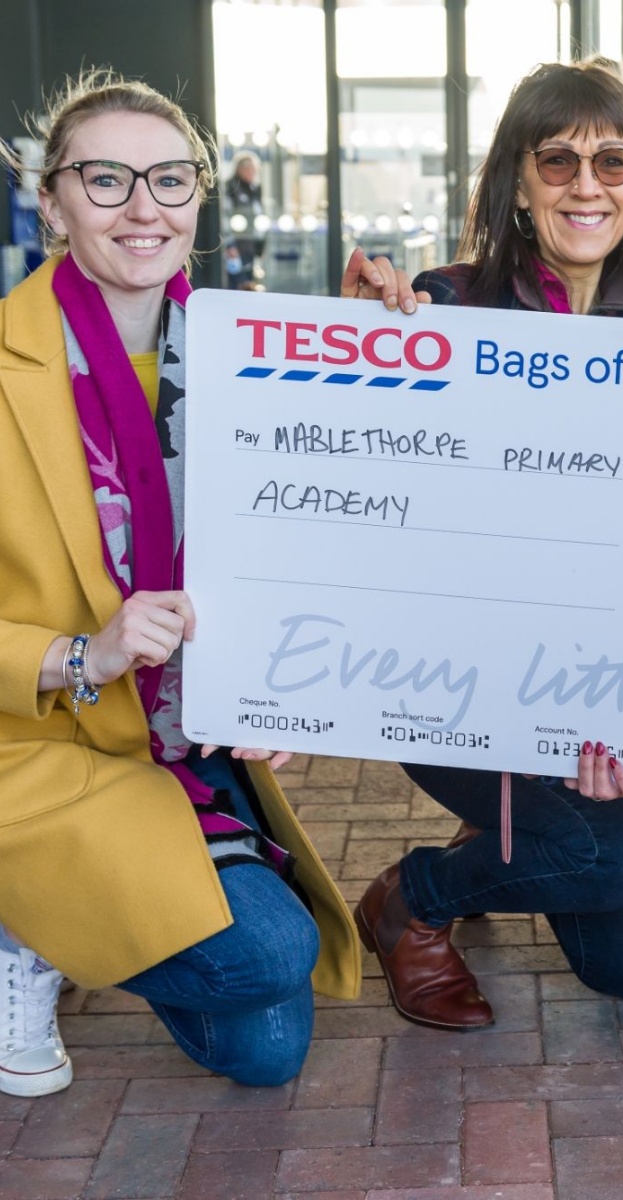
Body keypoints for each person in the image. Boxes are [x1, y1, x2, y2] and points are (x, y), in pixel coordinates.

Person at [0, 70, 390, 1095]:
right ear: (53, 202)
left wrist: (391, 349)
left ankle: (75, 912)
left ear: (199, 199)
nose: (144, 208)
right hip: (41, 740)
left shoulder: (253, 360)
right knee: (268, 955)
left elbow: (324, 537)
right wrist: (83, 652)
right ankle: (21, 925)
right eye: (107, 179)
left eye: (170, 180)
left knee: (268, 1048)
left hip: (178, 743)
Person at [345, 61, 623, 1032]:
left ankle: (508, 832)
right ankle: (413, 900)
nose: (587, 184)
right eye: (558, 160)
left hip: (584, 690)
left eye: (613, 161)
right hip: (450, 687)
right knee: (620, 854)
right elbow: (363, 481)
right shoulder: (444, 310)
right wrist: (360, 342)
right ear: (519, 181)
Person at [223, 150, 265, 289]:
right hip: (235, 244)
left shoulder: (255, 189)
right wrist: (229, 245)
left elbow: (259, 215)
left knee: (249, 281)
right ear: (239, 169)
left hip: (251, 244)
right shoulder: (230, 188)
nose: (252, 172)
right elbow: (224, 218)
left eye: (254, 169)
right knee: (235, 281)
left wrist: (260, 245)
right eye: (248, 169)